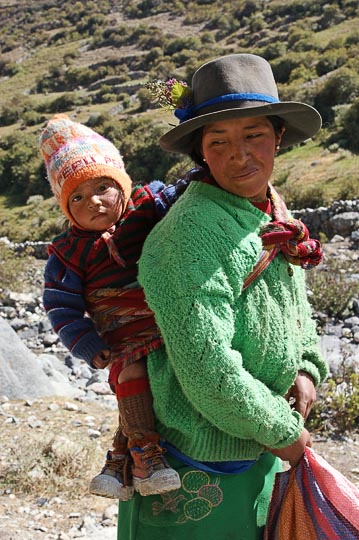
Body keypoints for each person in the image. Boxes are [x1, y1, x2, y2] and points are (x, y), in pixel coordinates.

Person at [117, 54, 329, 539]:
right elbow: (207, 370)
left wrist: (307, 366)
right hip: (197, 465)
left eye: (254, 135)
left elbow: (294, 301)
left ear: (278, 136)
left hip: (260, 448)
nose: (240, 155)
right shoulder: (188, 235)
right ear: (201, 153)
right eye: (220, 141)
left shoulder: (270, 209)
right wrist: (283, 430)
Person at [40, 114, 184, 501]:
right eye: (78, 197)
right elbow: (59, 305)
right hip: (123, 338)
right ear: (66, 208)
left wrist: (201, 174)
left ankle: (117, 462)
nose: (95, 202)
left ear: (122, 183)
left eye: (103, 187)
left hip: (170, 322)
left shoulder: (145, 206)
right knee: (130, 374)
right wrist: (86, 343)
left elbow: (184, 195)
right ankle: (146, 458)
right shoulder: (68, 253)